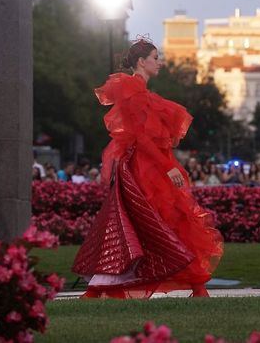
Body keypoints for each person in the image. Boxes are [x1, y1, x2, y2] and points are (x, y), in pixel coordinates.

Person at [72, 37, 223, 299]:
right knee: (155, 221)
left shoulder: (139, 91)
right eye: (155, 58)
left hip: (145, 166)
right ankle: (194, 286)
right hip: (144, 168)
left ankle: (195, 285)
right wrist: (168, 167)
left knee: (146, 222)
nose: (160, 63)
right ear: (141, 61)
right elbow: (141, 137)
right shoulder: (132, 89)